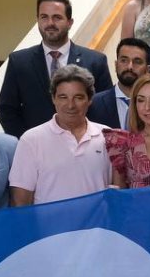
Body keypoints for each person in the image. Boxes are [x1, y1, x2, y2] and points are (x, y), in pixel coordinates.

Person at [0, 0, 113, 138]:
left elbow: (106, 108)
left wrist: (90, 139)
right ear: (38, 20)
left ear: (70, 22)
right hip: (37, 149)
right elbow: (7, 109)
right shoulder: (19, 61)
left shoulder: (96, 61)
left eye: (57, 17)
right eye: (44, 17)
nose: (50, 23)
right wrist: (27, 140)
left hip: (83, 145)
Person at [9, 65, 111, 206]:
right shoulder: (31, 140)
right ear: (53, 99)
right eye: (63, 97)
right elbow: (20, 200)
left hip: (98, 228)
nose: (70, 105)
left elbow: (116, 189)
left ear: (90, 100)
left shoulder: (108, 136)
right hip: (50, 229)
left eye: (78, 97)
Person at [87, 38, 150, 130]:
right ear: (116, 65)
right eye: (124, 60)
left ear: (147, 70)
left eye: (137, 62)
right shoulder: (94, 104)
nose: (130, 67)